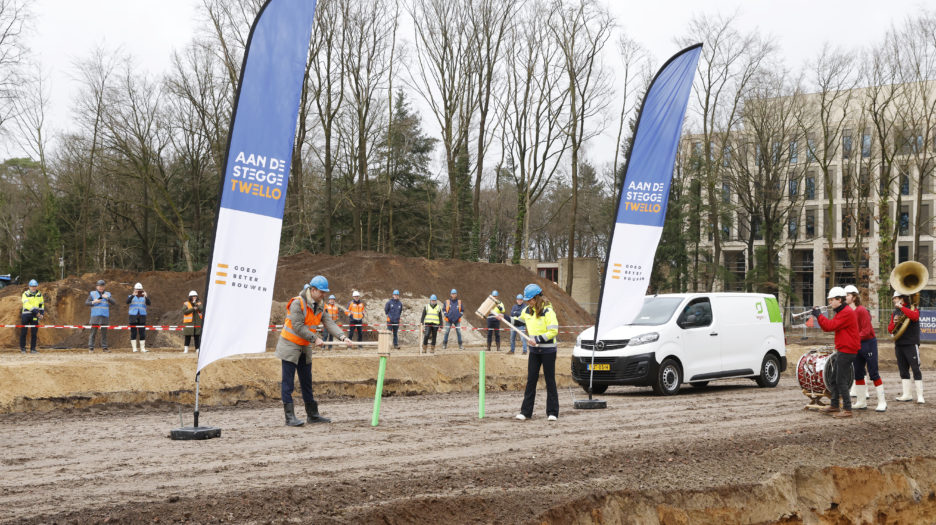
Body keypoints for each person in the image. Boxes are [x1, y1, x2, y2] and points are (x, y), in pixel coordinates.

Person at [275, 275, 351, 426]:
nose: (324, 295)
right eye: (322, 292)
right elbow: (297, 326)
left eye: (325, 292)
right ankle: (290, 417)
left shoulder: (320, 305)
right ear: (313, 290)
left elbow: (329, 322)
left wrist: (342, 337)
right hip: (290, 345)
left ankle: (313, 415)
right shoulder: (298, 303)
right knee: (288, 383)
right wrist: (315, 338)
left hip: (305, 346)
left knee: (306, 382)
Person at [499, 283, 559, 421]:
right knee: (531, 380)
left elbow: (553, 331)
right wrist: (504, 317)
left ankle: (552, 412)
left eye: (530, 299)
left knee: (550, 381)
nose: (528, 302)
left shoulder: (548, 312)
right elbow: (517, 321)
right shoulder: (527, 310)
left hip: (548, 351)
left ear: (537, 298)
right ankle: (526, 412)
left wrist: (538, 339)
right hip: (534, 351)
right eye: (527, 300)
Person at [813, 286, 860, 418]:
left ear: (839, 300)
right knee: (834, 378)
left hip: (847, 350)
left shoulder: (846, 312)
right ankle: (834, 405)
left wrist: (818, 316)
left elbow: (829, 326)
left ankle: (847, 409)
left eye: (831, 300)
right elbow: (829, 327)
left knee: (841, 380)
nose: (829, 303)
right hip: (843, 349)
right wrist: (820, 317)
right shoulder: (841, 312)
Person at [844, 285, 884, 412]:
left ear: (854, 297)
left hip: (868, 344)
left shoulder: (862, 311)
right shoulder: (848, 312)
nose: (845, 297)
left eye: (847, 295)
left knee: (873, 373)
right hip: (857, 345)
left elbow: (866, 331)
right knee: (858, 373)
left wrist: (853, 339)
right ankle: (861, 402)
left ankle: (882, 402)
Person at [889, 290, 924, 404]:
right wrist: (894, 323)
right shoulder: (895, 312)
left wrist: (902, 308)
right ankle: (907, 394)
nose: (893, 300)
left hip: (911, 343)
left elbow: (915, 317)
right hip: (899, 344)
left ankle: (920, 396)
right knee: (903, 370)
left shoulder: (912, 308)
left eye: (894, 298)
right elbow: (890, 329)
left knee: (915, 369)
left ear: (901, 298)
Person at [86, 279, 115, 353]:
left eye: (102, 286)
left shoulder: (107, 294)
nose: (101, 288)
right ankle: (91, 348)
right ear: (97, 287)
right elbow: (86, 303)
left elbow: (114, 302)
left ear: (104, 287)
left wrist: (107, 298)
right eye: (99, 286)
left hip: (104, 316)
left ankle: (104, 348)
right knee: (93, 332)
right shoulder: (93, 294)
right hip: (95, 316)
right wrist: (94, 301)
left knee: (104, 333)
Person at [20, 279, 44, 354]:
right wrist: (36, 312)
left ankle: (33, 349)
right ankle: (23, 349)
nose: (33, 287)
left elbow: (41, 305)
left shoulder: (39, 294)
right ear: (29, 286)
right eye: (32, 286)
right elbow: (26, 305)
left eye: (35, 286)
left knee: (34, 333)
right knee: (24, 332)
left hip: (35, 316)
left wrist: (42, 314)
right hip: (26, 315)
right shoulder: (25, 294)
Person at [126, 282, 151, 353]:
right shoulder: (130, 296)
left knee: (142, 332)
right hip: (133, 316)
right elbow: (127, 302)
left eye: (140, 289)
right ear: (134, 289)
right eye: (137, 289)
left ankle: (142, 348)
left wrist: (146, 296)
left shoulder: (144, 297)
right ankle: (134, 348)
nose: (138, 291)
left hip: (142, 316)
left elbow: (149, 303)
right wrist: (133, 295)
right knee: (133, 332)